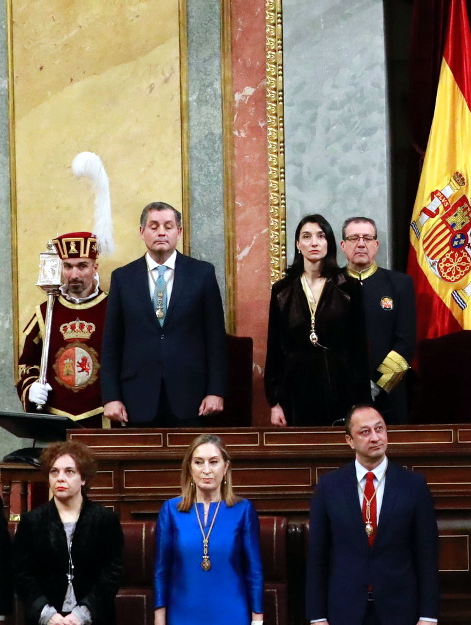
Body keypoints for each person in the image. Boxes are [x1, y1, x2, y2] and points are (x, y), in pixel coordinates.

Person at [306, 404, 439, 625]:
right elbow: (317, 557)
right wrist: (317, 617)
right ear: (349, 441)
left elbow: (427, 555)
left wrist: (428, 616)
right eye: (365, 432)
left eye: (380, 429)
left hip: (400, 609)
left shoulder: (413, 486)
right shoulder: (329, 487)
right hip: (344, 609)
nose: (375, 437)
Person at [101, 202, 228, 426]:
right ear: (142, 232)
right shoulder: (123, 278)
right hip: (135, 399)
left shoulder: (202, 274)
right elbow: (112, 342)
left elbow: (216, 339)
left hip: (191, 396)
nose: (161, 232)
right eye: (154, 226)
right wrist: (111, 397)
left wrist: (215, 391)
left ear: (178, 232)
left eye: (168, 226)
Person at [266, 214, 368, 427]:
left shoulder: (348, 287)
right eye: (306, 236)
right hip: (296, 385)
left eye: (320, 236)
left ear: (328, 243)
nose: (314, 242)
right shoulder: (282, 290)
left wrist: (360, 403)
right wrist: (274, 402)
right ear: (297, 244)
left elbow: (359, 348)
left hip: (340, 383)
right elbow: (275, 348)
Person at [154, 434, 263, 625]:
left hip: (232, 613)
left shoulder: (243, 510)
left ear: (226, 466)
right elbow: (162, 570)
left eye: (214, 462)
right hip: (182, 613)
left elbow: (254, 570)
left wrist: (257, 619)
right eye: (198, 462)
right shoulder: (171, 510)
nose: (206, 470)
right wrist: (159, 618)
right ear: (189, 467)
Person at [13, 441, 124, 625]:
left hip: (94, 617)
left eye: (69, 471)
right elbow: (22, 574)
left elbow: (111, 573)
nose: (60, 478)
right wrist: (48, 615)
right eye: (54, 472)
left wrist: (82, 614)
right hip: (46, 618)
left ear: (83, 478)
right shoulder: (32, 522)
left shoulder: (105, 520)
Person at [17, 232, 110, 426]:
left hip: (102, 417)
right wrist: (31, 387)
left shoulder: (114, 308)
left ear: (95, 268)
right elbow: (27, 364)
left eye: (82, 266)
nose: (74, 275)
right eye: (68, 266)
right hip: (55, 417)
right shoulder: (45, 312)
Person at [342, 217, 417, 424]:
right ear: (343, 245)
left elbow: (406, 343)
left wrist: (375, 386)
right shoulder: (330, 284)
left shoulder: (399, 284)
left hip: (388, 395)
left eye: (367, 238)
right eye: (353, 238)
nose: (360, 243)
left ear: (376, 244)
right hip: (341, 396)